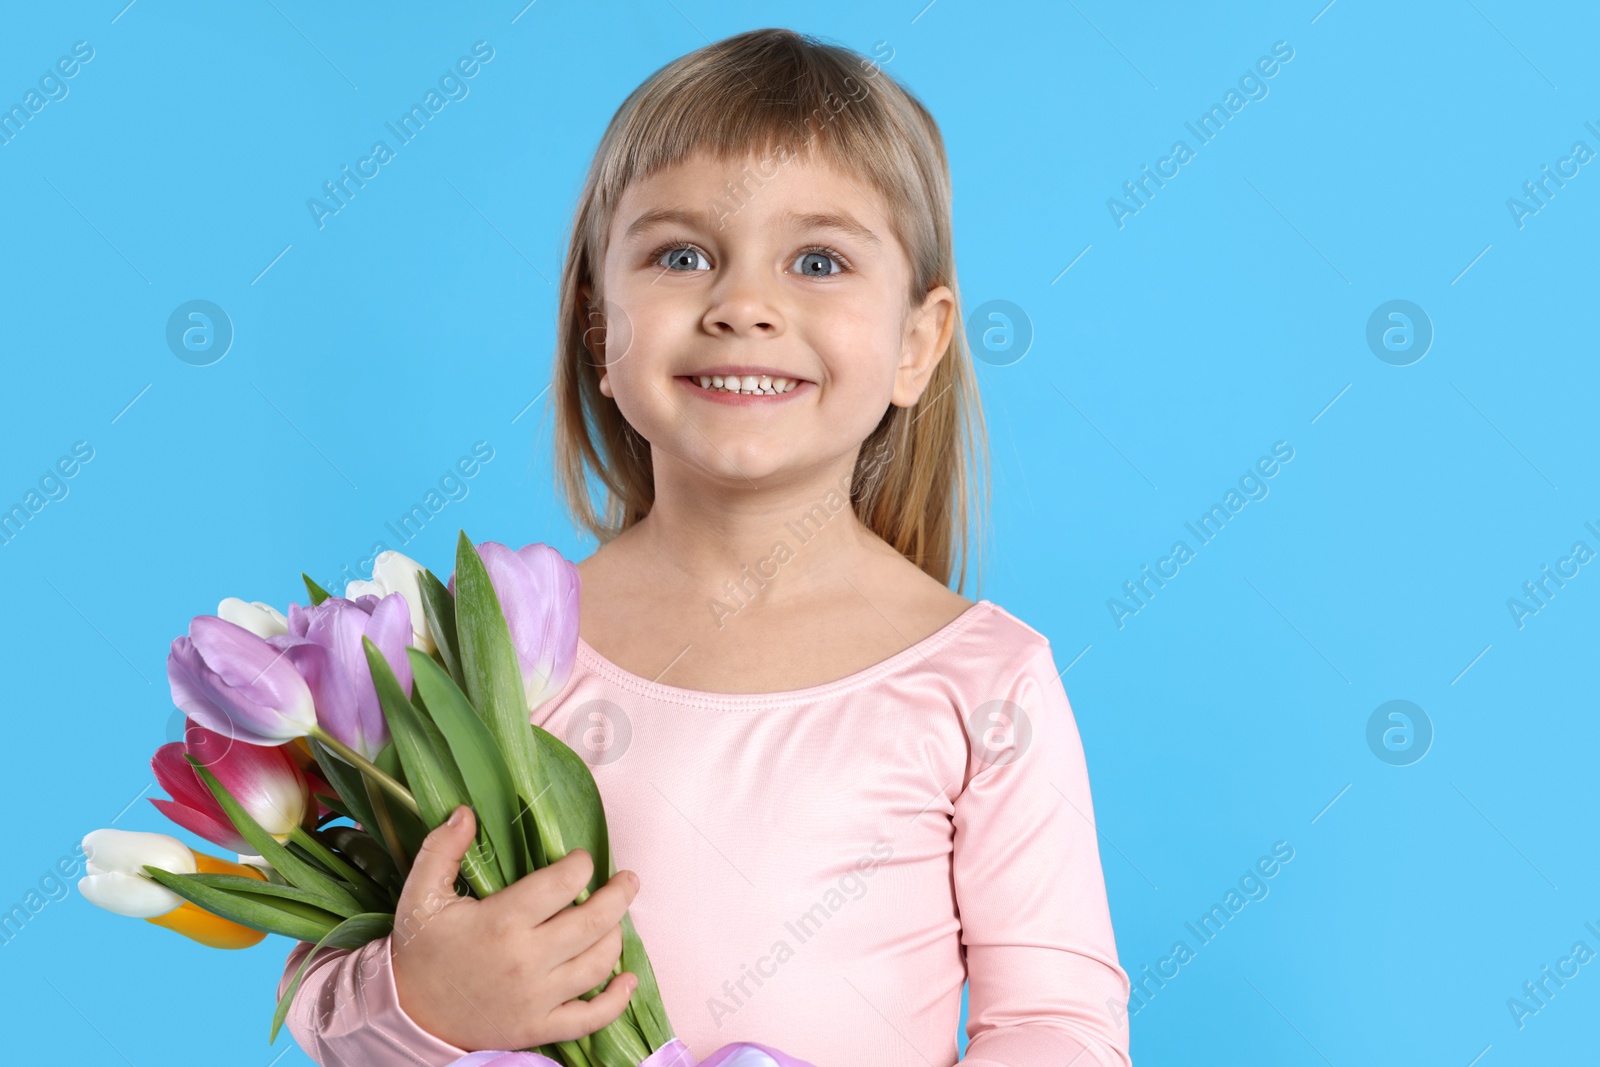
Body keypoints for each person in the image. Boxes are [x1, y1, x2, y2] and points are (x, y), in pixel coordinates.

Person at [277, 26, 1131, 1067]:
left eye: (817, 260)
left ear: (916, 342)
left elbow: (1057, 1027)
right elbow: (326, 993)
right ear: (599, 330)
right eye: (681, 255)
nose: (742, 306)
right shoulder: (483, 657)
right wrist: (425, 998)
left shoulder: (986, 679)